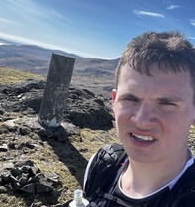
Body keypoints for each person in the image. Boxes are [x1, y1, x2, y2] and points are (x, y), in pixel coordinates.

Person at [83, 31, 195, 206]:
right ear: (114, 102)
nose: (142, 120)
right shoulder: (101, 166)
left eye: (166, 103)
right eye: (130, 99)